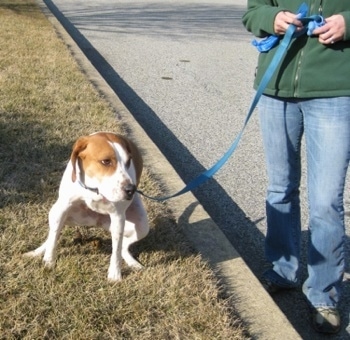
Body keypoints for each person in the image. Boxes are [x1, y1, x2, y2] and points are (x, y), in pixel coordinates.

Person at [242, 1, 350, 334]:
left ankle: (323, 292)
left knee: (326, 201)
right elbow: (253, 11)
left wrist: (348, 22)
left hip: (335, 91)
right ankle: (281, 270)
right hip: (277, 86)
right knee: (280, 188)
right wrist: (270, 18)